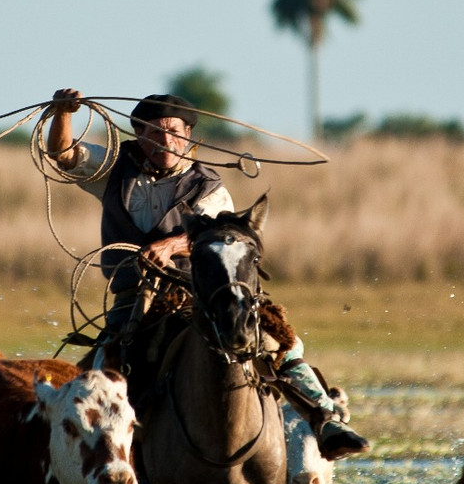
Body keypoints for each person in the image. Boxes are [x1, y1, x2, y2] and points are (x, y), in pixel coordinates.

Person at [45, 87, 368, 461]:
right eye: (153, 131)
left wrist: (170, 246)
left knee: (279, 341)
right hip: (134, 298)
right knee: (105, 367)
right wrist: (63, 113)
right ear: (139, 136)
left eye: (173, 130)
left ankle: (327, 421)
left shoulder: (207, 184)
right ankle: (112, 461)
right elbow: (63, 154)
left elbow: (214, 233)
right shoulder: (115, 169)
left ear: (189, 137)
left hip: (201, 294)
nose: (164, 139)